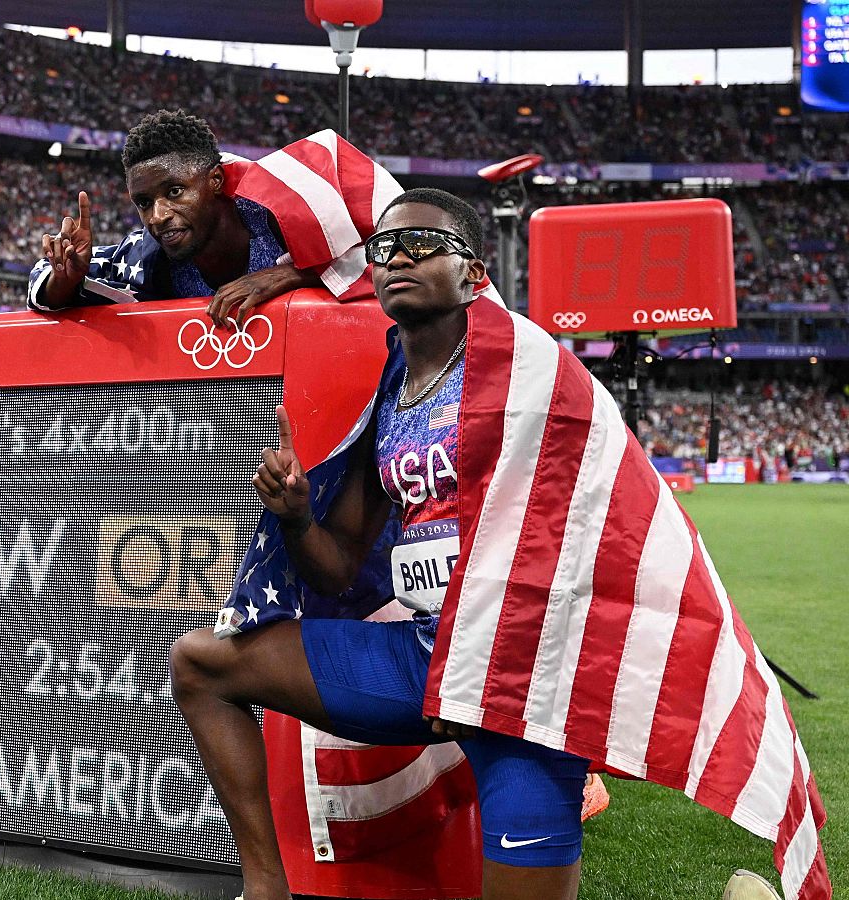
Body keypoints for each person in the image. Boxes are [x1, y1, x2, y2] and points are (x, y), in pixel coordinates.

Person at [169, 189, 820, 900]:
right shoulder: (392, 391)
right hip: (425, 660)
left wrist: (479, 664)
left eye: (424, 245)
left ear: (476, 275)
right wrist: (296, 517)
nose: (400, 258)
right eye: (385, 248)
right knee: (201, 665)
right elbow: (337, 568)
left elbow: (568, 545)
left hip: (527, 683)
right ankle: (265, 890)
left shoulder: (535, 370)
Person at [28, 109, 343, 326]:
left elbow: (376, 257)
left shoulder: (280, 219)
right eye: (144, 202)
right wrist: (65, 278)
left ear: (216, 180)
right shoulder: (150, 255)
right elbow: (46, 272)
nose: (158, 216)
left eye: (175, 191)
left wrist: (291, 275)